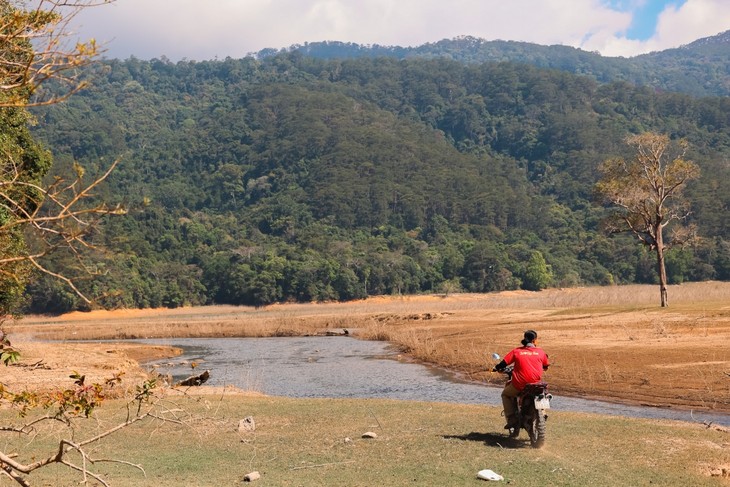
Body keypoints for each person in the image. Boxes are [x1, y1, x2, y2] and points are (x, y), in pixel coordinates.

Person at [492, 330, 549, 430]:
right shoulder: (540, 352)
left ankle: (511, 418)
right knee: (542, 394)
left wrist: (497, 368)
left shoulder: (517, 351)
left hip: (520, 384)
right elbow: (545, 366)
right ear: (534, 340)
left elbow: (503, 363)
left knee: (505, 394)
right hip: (536, 384)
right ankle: (543, 412)